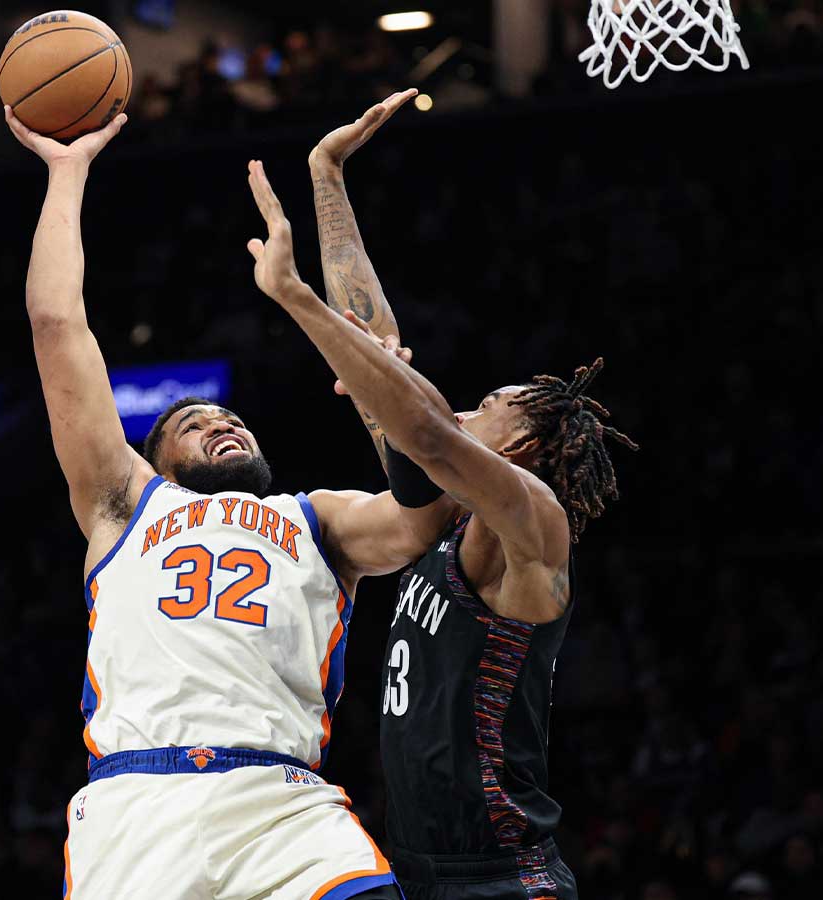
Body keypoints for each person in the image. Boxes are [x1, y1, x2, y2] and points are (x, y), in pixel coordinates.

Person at [5, 105, 451, 900]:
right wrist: (66, 173)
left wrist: (383, 389)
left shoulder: (317, 519)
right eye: (193, 421)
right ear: (156, 460)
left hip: (281, 806)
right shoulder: (124, 505)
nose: (221, 422)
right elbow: (55, 323)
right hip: (138, 807)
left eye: (228, 416)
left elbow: (425, 513)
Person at [259, 119, 635, 898]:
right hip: (419, 867)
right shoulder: (440, 516)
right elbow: (380, 340)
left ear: (529, 442)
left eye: (492, 403)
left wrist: (298, 302)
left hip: (502, 874)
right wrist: (326, 173)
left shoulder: (535, 524)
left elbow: (425, 426)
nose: (469, 408)